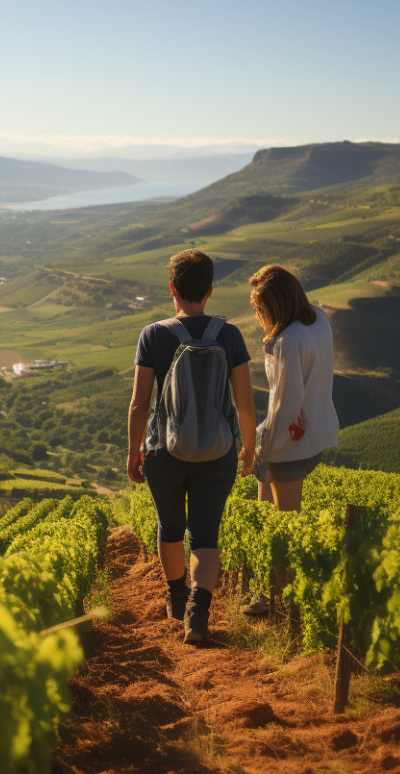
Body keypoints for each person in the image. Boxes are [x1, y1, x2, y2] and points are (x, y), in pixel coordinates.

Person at [128, 249, 256, 645]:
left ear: (172, 288)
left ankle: (177, 596)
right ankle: (198, 613)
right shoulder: (229, 335)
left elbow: (139, 404)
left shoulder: (153, 335)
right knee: (205, 534)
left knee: (170, 527)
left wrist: (134, 452)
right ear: (210, 290)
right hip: (218, 452)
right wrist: (249, 448)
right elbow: (245, 403)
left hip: (164, 451)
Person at [243, 264, 339, 616]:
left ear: (273, 306)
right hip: (316, 434)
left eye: (260, 309)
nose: (259, 317)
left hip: (289, 445)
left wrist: (261, 448)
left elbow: (285, 404)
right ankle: (272, 594)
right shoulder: (318, 319)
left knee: (279, 524)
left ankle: (281, 602)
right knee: (275, 518)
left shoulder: (287, 342)